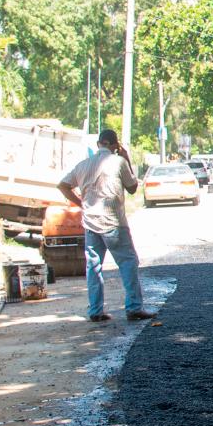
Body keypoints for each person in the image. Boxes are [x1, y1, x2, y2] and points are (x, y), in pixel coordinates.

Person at [58, 128, 154, 323]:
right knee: (128, 263)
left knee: (93, 266)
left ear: (99, 144)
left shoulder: (82, 165)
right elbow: (133, 187)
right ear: (114, 145)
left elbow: (63, 185)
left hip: (91, 223)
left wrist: (80, 203)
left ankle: (95, 310)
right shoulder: (118, 162)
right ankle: (134, 307)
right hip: (113, 223)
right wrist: (126, 157)